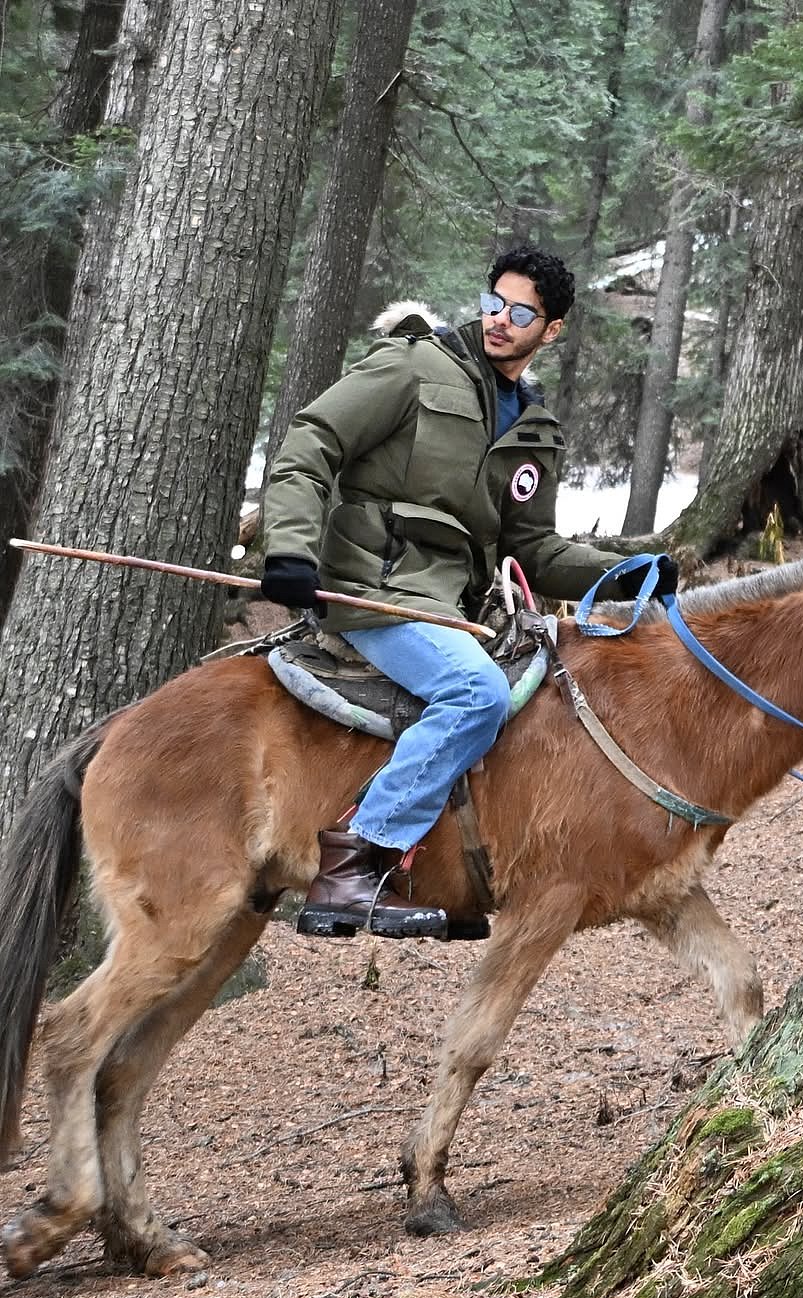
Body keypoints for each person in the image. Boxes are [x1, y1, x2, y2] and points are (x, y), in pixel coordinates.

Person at [261, 244, 676, 939]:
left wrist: (620, 572)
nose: (499, 321)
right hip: (375, 589)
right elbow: (313, 441)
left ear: (553, 329)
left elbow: (534, 549)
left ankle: (452, 875)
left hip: (450, 608)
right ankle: (358, 862)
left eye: (520, 313)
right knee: (476, 694)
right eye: (493, 303)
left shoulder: (534, 429)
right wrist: (291, 550)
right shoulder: (414, 367)